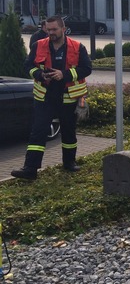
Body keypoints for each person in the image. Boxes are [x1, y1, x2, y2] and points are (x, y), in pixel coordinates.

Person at [11, 15, 92, 180]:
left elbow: (86, 68)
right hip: (45, 97)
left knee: (69, 132)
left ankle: (69, 163)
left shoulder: (77, 47)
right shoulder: (38, 45)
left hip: (68, 97)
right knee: (38, 133)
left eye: (54, 29)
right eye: (48, 30)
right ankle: (30, 169)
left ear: (63, 29)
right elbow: (28, 66)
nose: (51, 33)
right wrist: (41, 75)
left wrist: (64, 74)